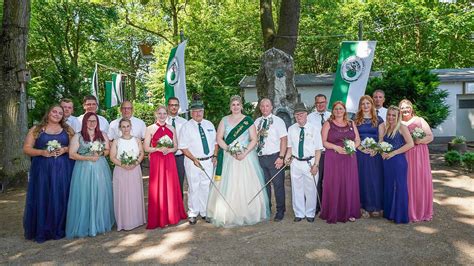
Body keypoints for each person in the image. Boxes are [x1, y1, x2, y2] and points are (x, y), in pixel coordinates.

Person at [207, 95, 270, 227]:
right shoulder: (224, 120)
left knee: (246, 185)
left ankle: (248, 212)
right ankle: (229, 213)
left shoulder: (248, 121)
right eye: (233, 105)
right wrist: (230, 150)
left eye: (238, 104)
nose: (235, 107)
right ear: (230, 107)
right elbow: (219, 139)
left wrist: (245, 152)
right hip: (229, 157)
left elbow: (254, 139)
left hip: (246, 157)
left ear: (241, 106)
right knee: (229, 184)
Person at [23, 105, 75, 243]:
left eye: (60, 113)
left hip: (63, 169)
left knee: (61, 195)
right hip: (42, 170)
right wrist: (42, 152)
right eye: (54, 111)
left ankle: (61, 227)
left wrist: (65, 149)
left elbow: (76, 146)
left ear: (63, 116)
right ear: (48, 112)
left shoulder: (68, 130)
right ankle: (43, 228)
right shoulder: (37, 129)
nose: (57, 115)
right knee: (43, 195)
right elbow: (27, 148)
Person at [66, 112, 115, 238]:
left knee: (100, 193)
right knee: (85, 194)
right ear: (85, 122)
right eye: (89, 121)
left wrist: (99, 154)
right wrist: (87, 157)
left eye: (94, 121)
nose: (92, 123)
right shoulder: (78, 136)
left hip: (100, 168)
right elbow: (72, 154)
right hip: (83, 169)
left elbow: (107, 150)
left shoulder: (102, 134)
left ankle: (100, 222)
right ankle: (85, 224)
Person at [144, 106, 187, 229]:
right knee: (158, 187)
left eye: (164, 113)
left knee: (170, 186)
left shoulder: (171, 128)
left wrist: (169, 150)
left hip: (169, 159)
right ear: (155, 114)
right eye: (159, 113)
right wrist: (158, 149)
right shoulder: (150, 129)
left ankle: (172, 215)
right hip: (157, 160)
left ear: (167, 115)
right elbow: (146, 148)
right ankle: (159, 217)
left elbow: (176, 146)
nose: (162, 116)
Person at [320, 101, 361, 223]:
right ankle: (334, 212)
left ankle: (350, 211)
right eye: (336, 109)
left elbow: (357, 139)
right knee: (334, 183)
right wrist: (336, 147)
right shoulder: (328, 124)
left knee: (349, 183)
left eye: (341, 109)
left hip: (349, 157)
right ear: (332, 111)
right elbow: (323, 142)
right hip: (333, 157)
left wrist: (353, 147)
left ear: (345, 110)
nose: (338, 111)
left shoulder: (351, 123)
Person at [179, 98, 217, 225]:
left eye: (200, 111)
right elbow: (183, 147)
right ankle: (193, 213)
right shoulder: (186, 127)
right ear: (191, 113)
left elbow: (215, 143)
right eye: (195, 111)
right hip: (192, 162)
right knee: (194, 187)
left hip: (208, 161)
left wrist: (215, 156)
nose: (198, 113)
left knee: (206, 187)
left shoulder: (209, 124)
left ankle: (205, 212)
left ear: (203, 111)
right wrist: (194, 159)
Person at [285, 102, 322, 223]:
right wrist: (287, 158)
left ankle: (310, 213)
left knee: (311, 189)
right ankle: (299, 213)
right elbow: (289, 147)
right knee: (297, 189)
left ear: (306, 114)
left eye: (301, 114)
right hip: (296, 162)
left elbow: (318, 149)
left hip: (310, 162)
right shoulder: (291, 129)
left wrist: (316, 165)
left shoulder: (314, 129)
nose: (299, 116)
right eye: (296, 114)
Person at [399, 99, 434, 222]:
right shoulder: (398, 123)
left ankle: (421, 210)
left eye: (407, 107)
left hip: (419, 154)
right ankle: (407, 209)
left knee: (419, 179)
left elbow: (430, 136)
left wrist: (420, 140)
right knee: (406, 180)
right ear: (399, 110)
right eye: (402, 108)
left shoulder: (420, 120)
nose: (405, 110)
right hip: (404, 153)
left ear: (412, 108)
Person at [254, 98, 288, 222]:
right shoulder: (257, 121)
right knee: (265, 186)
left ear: (271, 107)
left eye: (267, 106)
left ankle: (280, 210)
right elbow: (254, 139)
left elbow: (284, 140)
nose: (264, 108)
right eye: (262, 106)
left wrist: (281, 157)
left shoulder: (278, 121)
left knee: (278, 185)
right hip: (261, 157)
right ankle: (267, 209)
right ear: (260, 107)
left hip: (275, 157)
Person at [109, 118, 146, 231]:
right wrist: (123, 164)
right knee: (122, 195)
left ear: (131, 127)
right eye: (123, 127)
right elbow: (112, 157)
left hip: (135, 169)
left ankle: (137, 220)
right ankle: (124, 222)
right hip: (121, 170)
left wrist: (135, 163)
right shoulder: (116, 141)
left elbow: (141, 154)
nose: (126, 129)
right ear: (120, 128)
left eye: (127, 126)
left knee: (134, 194)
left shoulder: (137, 140)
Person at [380, 106, 414, 224]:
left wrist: (394, 152)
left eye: (393, 115)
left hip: (398, 161)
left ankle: (400, 215)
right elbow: (382, 143)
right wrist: (382, 151)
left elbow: (410, 144)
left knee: (399, 187)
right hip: (387, 162)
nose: (391, 117)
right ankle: (390, 213)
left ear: (398, 116)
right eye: (389, 114)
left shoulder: (402, 127)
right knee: (389, 185)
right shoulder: (387, 127)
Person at [354, 95, 384, 218]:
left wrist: (376, 149)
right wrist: (361, 148)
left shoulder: (379, 120)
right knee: (362, 179)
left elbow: (381, 138)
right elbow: (354, 137)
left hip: (374, 154)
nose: (365, 106)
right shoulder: (355, 120)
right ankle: (363, 206)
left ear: (371, 105)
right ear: (360, 106)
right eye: (363, 104)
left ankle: (376, 206)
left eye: (368, 103)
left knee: (375, 179)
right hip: (360, 153)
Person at [307, 93, 331, 214]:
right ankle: (317, 205)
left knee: (330, 180)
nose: (320, 105)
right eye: (318, 103)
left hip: (331, 154)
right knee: (317, 179)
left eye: (322, 102)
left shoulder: (332, 116)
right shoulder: (309, 117)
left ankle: (329, 204)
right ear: (315, 104)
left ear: (326, 103)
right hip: (317, 154)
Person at [166, 97, 188, 199]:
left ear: (178, 107)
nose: (173, 107)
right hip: (166, 157)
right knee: (167, 184)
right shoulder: (162, 121)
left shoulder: (185, 122)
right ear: (168, 106)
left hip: (180, 157)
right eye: (171, 105)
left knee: (179, 183)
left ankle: (179, 210)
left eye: (176, 105)